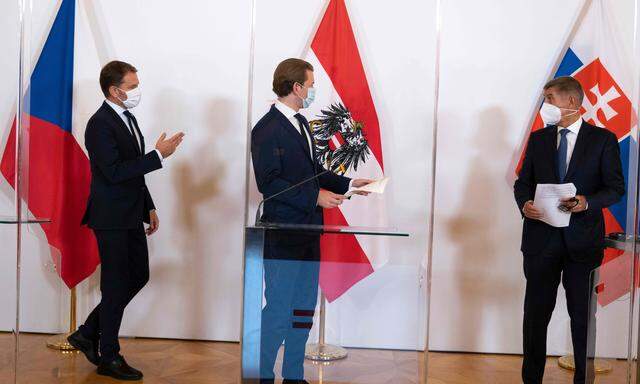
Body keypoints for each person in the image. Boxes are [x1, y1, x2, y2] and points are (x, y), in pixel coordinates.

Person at [251, 58, 371, 384]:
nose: (314, 89)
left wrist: (348, 184)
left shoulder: (303, 123)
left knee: (303, 308)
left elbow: (315, 173)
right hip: (284, 231)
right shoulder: (266, 129)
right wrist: (314, 197)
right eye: (311, 83)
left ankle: (293, 375)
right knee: (278, 308)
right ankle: (261, 376)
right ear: (296, 87)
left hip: (309, 232)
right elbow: (269, 182)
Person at [67, 60, 184, 381]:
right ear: (114, 90)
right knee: (117, 283)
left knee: (138, 276)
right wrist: (159, 155)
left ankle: (88, 332)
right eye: (132, 87)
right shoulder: (100, 124)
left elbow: (133, 170)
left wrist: (149, 207)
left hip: (131, 212)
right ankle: (109, 355)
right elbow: (115, 172)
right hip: (111, 217)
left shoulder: (127, 118)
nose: (137, 91)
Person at [514, 76, 625, 384]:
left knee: (582, 317)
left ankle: (582, 380)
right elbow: (522, 183)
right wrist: (524, 203)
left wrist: (586, 202)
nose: (545, 105)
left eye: (550, 99)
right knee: (535, 317)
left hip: (583, 243)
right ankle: (531, 379)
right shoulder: (538, 140)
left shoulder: (603, 139)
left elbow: (616, 188)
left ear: (572, 103)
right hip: (540, 241)